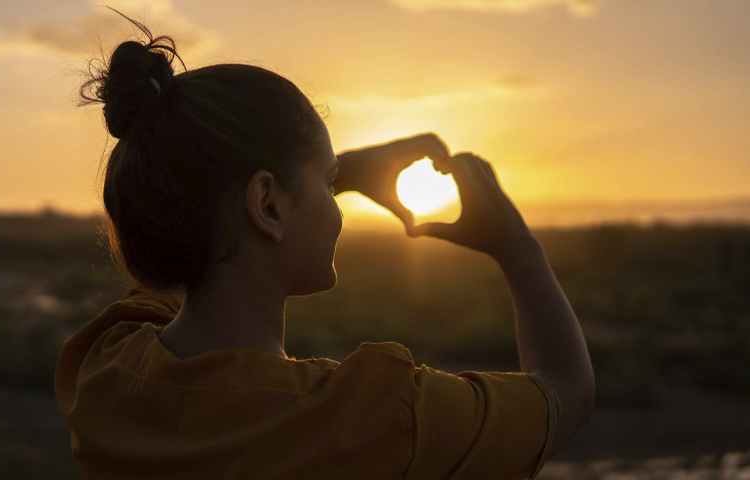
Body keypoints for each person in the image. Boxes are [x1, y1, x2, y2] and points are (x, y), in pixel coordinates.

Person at [54, 18, 594, 480]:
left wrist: (325, 175)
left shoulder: (105, 367)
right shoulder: (373, 417)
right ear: (266, 204)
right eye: (328, 182)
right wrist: (515, 245)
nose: (336, 205)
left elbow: (184, 235)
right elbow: (566, 394)